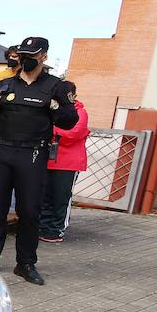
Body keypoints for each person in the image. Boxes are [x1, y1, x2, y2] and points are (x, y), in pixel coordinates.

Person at [0, 36, 78, 285]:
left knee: (30, 211)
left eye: (31, 55)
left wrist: (54, 107)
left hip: (32, 155)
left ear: (43, 56)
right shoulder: (5, 85)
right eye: (22, 54)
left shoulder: (57, 87)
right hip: (1, 152)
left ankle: (26, 263)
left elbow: (69, 120)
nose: (25, 59)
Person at [39, 81, 89, 243]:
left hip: (69, 162)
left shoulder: (80, 112)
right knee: (46, 195)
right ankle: (44, 227)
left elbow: (73, 134)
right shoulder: (53, 110)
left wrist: (51, 131)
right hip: (49, 160)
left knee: (61, 197)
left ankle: (56, 229)